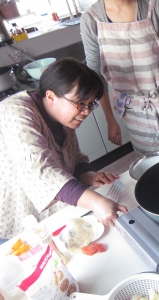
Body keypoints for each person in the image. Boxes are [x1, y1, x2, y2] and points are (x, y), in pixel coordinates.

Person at [0, 58, 128, 243]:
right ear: (51, 97)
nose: (86, 112)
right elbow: (42, 174)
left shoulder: (65, 116)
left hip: (50, 210)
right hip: (15, 209)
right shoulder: (16, 113)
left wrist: (90, 175)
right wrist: (95, 201)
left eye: (91, 104)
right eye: (80, 103)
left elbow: (74, 157)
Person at [80, 0, 159, 155]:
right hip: (133, 108)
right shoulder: (90, 20)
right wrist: (110, 119)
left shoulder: (157, 5)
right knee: (149, 162)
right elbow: (96, 76)